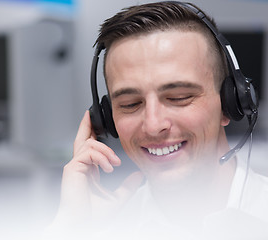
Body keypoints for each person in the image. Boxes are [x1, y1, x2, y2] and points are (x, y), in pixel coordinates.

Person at [44, 1, 268, 239]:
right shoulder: (105, 228)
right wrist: (73, 227)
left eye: (178, 97)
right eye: (130, 104)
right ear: (107, 118)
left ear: (229, 103)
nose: (153, 125)